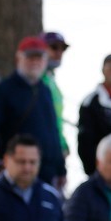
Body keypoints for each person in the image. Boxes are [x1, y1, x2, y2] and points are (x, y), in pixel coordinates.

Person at [0, 36, 66, 189]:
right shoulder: (4, 90)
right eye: (30, 57)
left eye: (39, 57)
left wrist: (61, 168)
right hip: (18, 170)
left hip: (47, 172)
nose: (35, 62)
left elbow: (53, 130)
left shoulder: (45, 90)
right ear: (19, 58)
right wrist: (0, 161)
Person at [40, 31, 70, 160]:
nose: (59, 52)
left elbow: (57, 119)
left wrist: (62, 144)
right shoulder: (37, 80)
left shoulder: (52, 82)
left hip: (54, 149)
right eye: (54, 47)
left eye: (62, 48)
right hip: (41, 151)